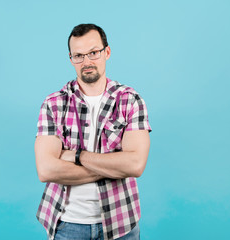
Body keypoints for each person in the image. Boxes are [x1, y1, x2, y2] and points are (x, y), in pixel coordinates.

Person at [35, 23, 151, 240]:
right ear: (71, 59)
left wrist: (77, 156)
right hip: (67, 225)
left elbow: (135, 165)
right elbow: (46, 170)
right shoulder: (53, 104)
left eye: (93, 53)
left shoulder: (129, 100)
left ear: (107, 52)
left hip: (121, 223)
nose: (86, 62)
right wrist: (115, 166)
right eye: (78, 55)